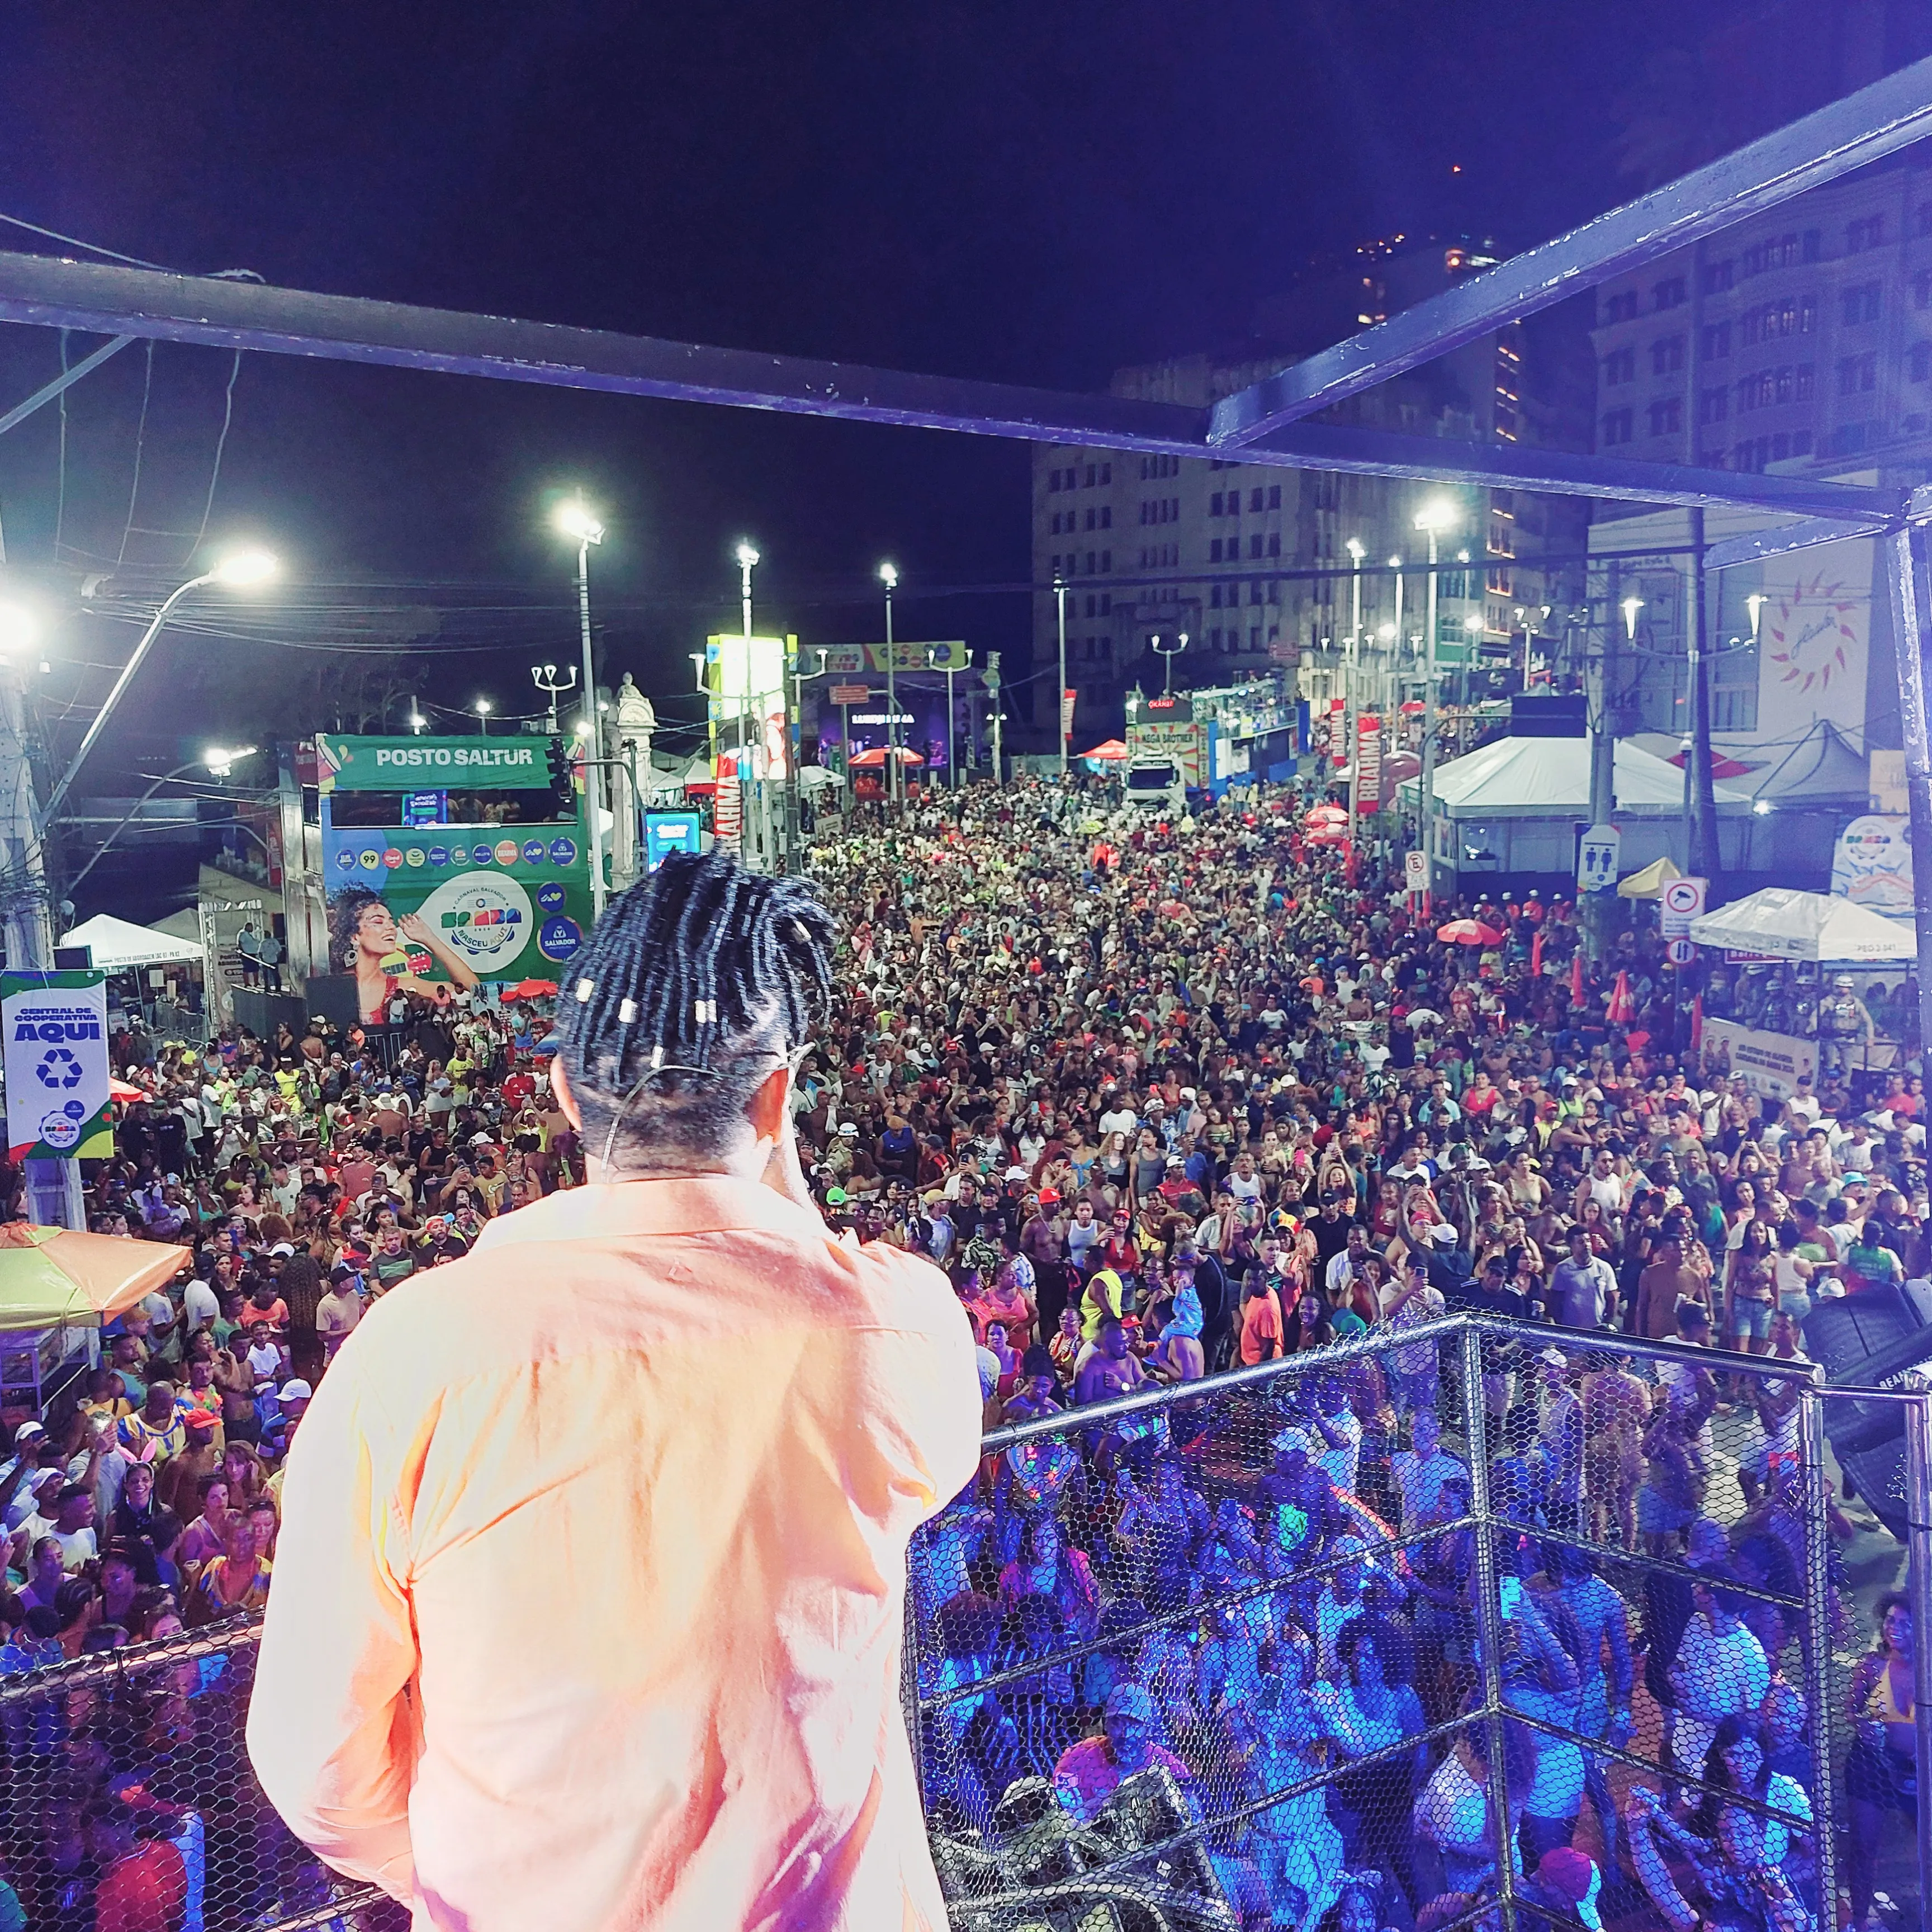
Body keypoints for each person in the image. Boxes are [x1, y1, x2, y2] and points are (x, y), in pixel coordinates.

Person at [250, 851, 982, 1932]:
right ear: (780, 1096)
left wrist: (461, 1875)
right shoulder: (897, 1325)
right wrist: (776, 1171)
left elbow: (309, 1748)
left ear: (560, 1091)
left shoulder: (411, 1354)